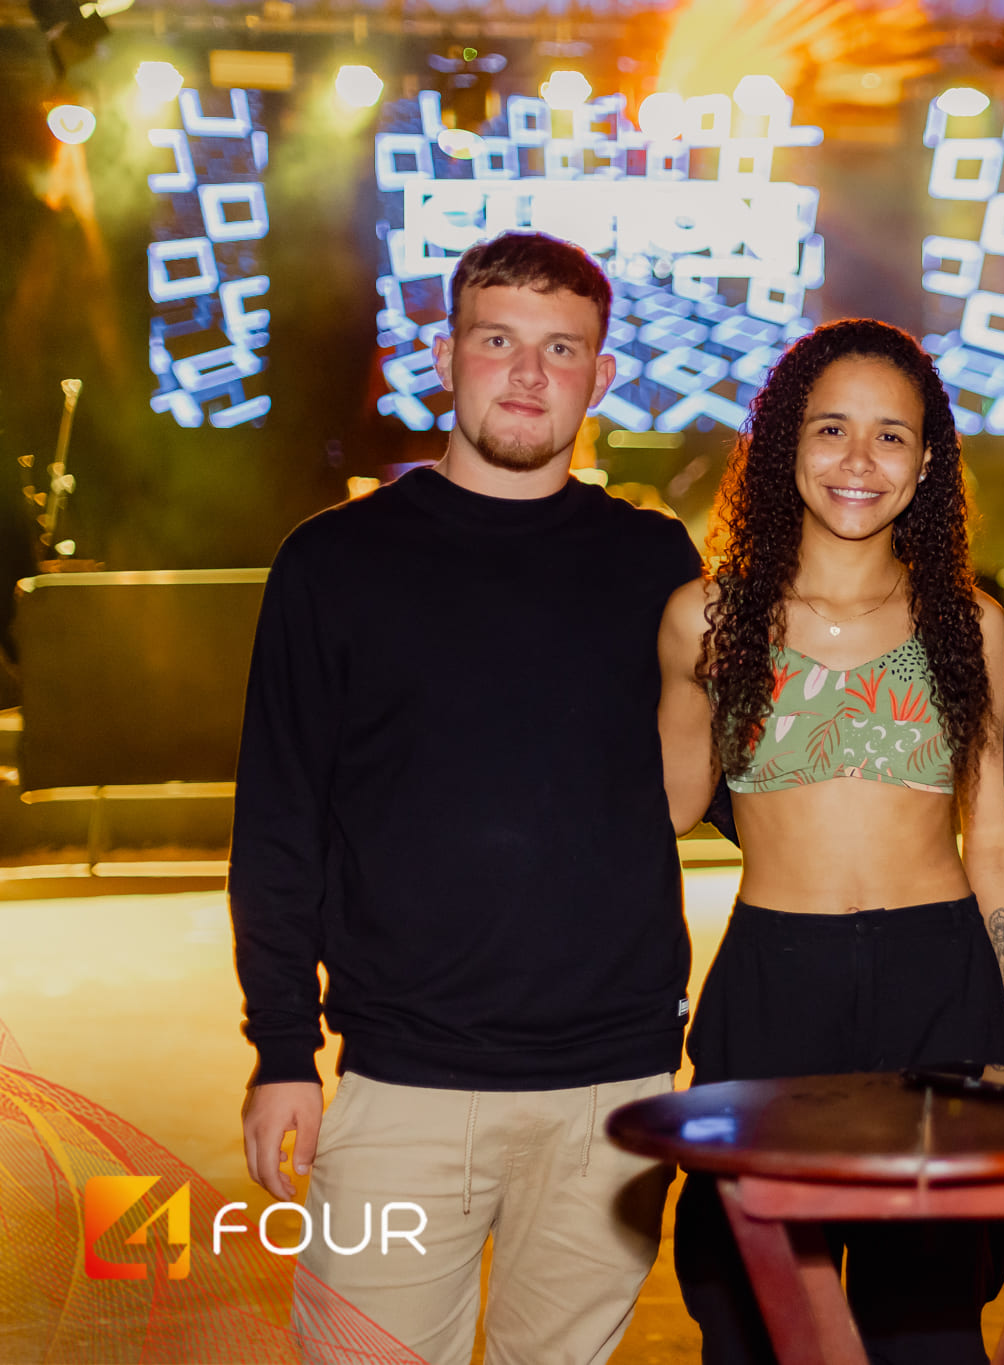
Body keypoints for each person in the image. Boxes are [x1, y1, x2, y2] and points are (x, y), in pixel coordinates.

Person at [231, 231, 697, 1365]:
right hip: (402, 1084)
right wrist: (283, 1049)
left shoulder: (655, 563)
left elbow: (732, 777)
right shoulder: (333, 562)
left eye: (561, 349)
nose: (529, 374)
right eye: (498, 341)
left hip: (613, 1086)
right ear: (443, 357)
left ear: (600, 376)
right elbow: (279, 821)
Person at [657, 317, 1004, 1364]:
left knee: (927, 1331)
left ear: (926, 464)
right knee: (752, 1324)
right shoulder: (705, 620)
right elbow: (663, 807)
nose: (858, 460)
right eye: (831, 428)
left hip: (940, 985)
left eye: (891, 435)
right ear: (785, 443)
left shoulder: (969, 624)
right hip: (772, 985)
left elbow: (994, 851)